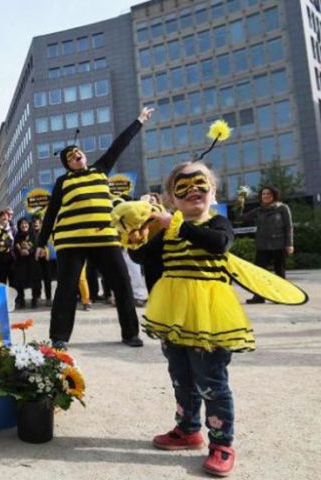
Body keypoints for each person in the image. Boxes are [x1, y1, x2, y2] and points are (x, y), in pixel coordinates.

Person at [129, 162, 252, 477]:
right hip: (173, 314)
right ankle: (188, 429)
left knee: (211, 381)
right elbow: (142, 256)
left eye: (200, 184)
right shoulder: (170, 228)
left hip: (209, 316)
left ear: (213, 191)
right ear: (172, 198)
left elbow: (219, 244)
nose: (193, 190)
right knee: (180, 376)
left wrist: (177, 224)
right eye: (183, 187)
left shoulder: (218, 222)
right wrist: (136, 234)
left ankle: (222, 443)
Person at [36, 107, 154, 349]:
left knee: (122, 284)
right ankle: (58, 337)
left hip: (105, 238)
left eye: (78, 152)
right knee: (66, 289)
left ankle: (130, 333)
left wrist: (139, 120)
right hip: (71, 241)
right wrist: (40, 243)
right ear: (67, 164)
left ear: (85, 157)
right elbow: (51, 213)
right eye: (70, 156)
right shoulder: (63, 181)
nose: (75, 155)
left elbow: (119, 145)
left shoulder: (101, 170)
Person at [240, 186, 294, 304]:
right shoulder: (259, 210)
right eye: (263, 194)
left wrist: (289, 244)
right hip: (262, 245)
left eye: (268, 194)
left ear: (274, 195)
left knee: (279, 272)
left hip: (279, 244)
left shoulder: (282, 208)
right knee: (258, 273)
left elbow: (289, 227)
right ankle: (259, 297)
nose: (265, 196)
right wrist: (240, 203)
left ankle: (280, 296)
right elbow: (241, 218)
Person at [12, 217, 37, 309]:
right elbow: (15, 248)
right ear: (19, 226)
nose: (24, 225)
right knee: (20, 282)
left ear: (29, 225)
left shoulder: (33, 235)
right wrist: (20, 252)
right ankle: (21, 300)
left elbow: (36, 247)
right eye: (22, 224)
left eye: (26, 223)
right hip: (21, 262)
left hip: (32, 262)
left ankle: (34, 300)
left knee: (34, 282)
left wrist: (29, 252)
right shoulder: (17, 236)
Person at [30, 217, 52, 305]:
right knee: (36, 279)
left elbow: (50, 244)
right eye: (34, 222)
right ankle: (37, 297)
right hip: (35, 259)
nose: (36, 224)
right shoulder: (30, 234)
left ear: (41, 224)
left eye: (37, 222)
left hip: (46, 259)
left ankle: (48, 298)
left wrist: (45, 250)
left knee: (48, 279)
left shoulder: (46, 233)